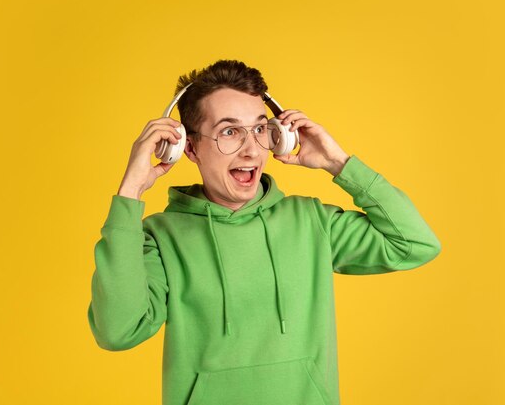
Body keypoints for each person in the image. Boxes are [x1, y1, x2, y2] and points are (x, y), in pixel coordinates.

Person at [87, 59, 442, 405]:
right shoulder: (160, 238)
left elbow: (415, 243)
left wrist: (339, 163)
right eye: (229, 131)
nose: (251, 148)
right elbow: (118, 331)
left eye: (260, 129)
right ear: (189, 148)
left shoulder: (311, 221)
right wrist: (129, 194)